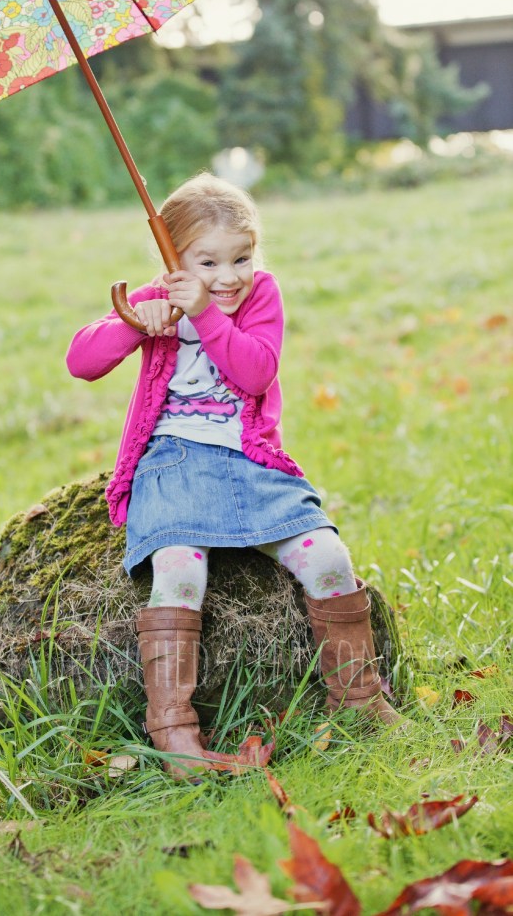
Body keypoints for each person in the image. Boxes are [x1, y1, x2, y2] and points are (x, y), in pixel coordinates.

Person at [66, 173, 402, 778]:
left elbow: (254, 373)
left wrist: (207, 316)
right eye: (208, 261)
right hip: (174, 465)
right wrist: (135, 322)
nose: (228, 276)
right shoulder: (157, 296)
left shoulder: (261, 296)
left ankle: (359, 700)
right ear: (173, 256)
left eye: (241, 257)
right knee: (178, 570)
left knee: (327, 556)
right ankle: (174, 733)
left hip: (252, 466)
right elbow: (80, 360)